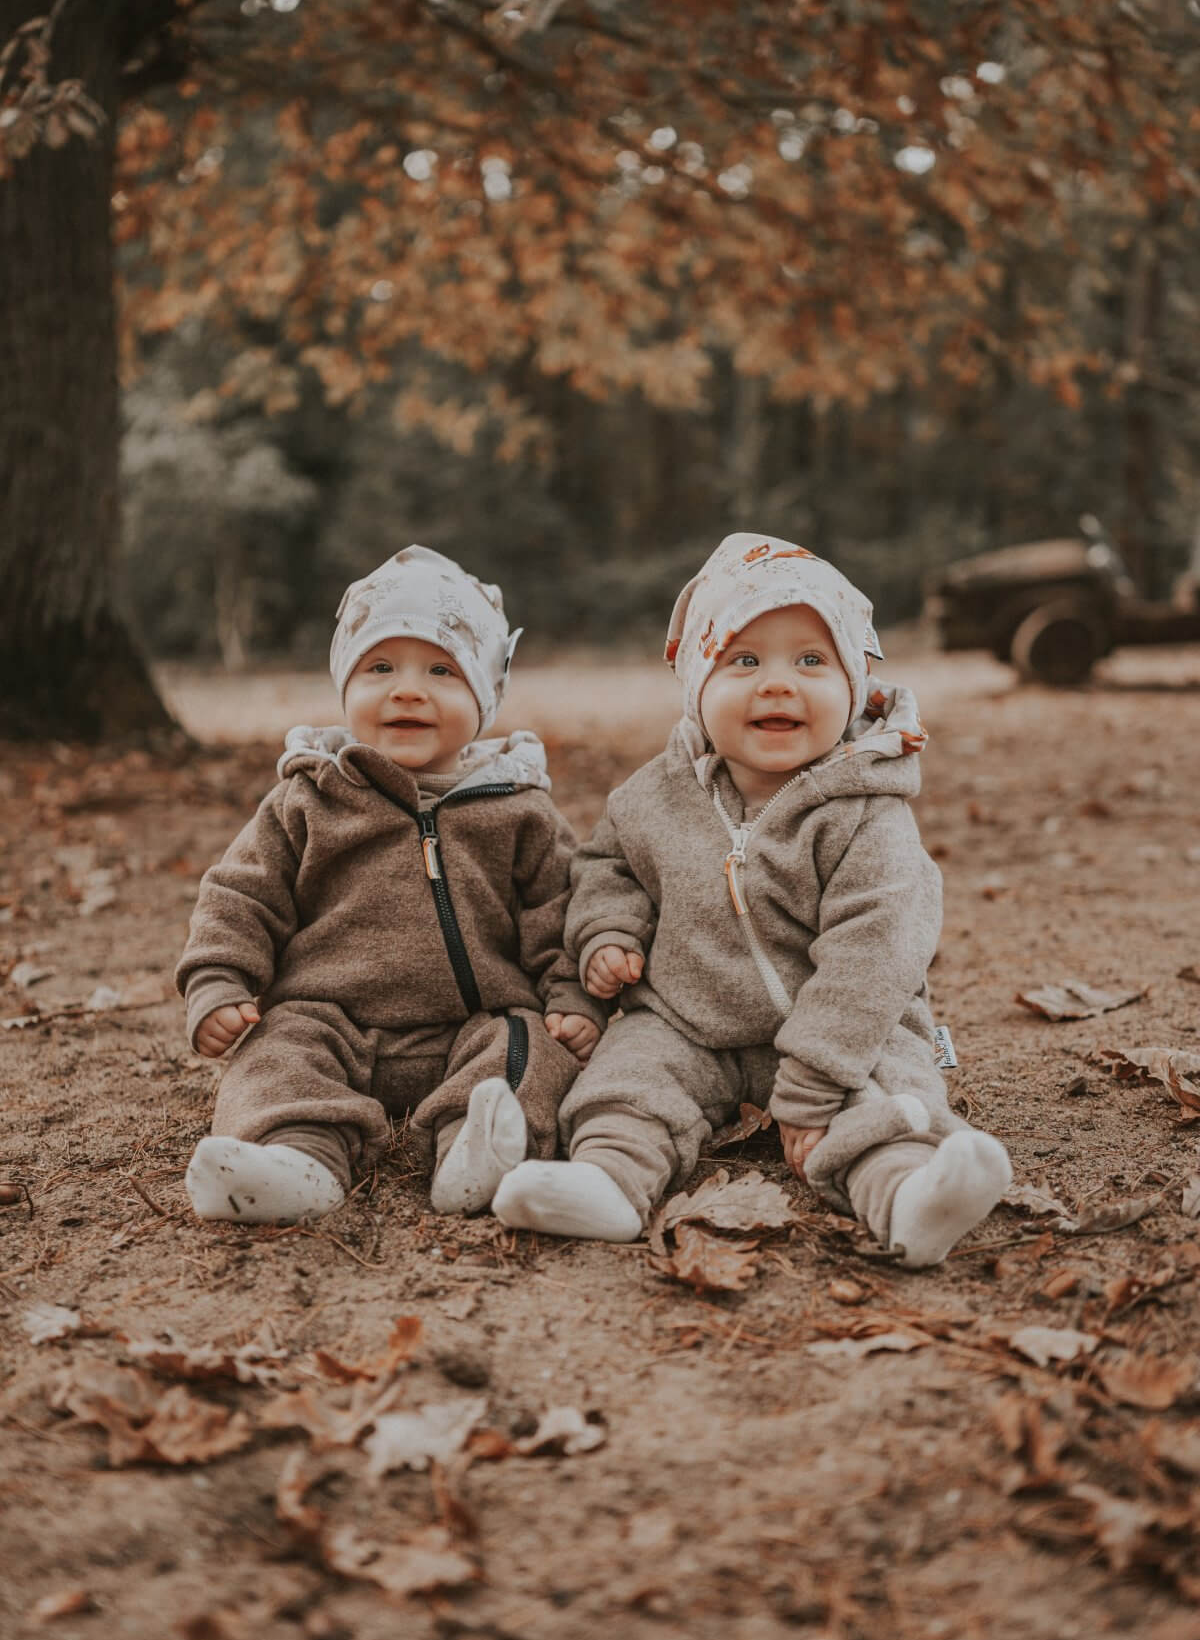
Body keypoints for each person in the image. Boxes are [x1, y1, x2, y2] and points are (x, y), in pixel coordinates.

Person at [495, 532, 1011, 1266]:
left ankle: (911, 1194)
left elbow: (877, 952)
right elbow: (608, 866)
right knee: (628, 1079)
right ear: (697, 684)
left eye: (811, 660)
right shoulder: (654, 796)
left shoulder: (866, 812)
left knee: (886, 1094)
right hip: (686, 1019)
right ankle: (606, 1180)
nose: (778, 683)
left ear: (855, 686)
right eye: (744, 660)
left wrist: (809, 1087)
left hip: (836, 1029)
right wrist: (608, 933)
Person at [177, 545, 602, 1224]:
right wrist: (218, 980)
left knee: (529, 1048)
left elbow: (562, 908)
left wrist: (572, 993)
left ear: (484, 695)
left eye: (441, 669)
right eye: (380, 667)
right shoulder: (310, 796)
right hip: (326, 1019)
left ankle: (478, 1146)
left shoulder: (519, 808)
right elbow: (240, 893)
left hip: (475, 1023)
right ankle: (298, 1156)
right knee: (274, 1052)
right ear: (346, 685)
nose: (407, 688)